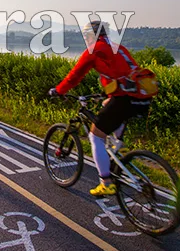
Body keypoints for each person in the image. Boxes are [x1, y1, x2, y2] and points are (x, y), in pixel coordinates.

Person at [48, 20, 150, 197]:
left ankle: (106, 183)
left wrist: (58, 90)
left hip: (124, 100)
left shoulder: (94, 50)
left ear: (91, 35)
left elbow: (75, 76)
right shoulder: (119, 48)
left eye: (86, 36)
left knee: (95, 137)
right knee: (108, 107)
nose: (86, 39)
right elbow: (126, 73)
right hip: (142, 98)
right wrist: (109, 95)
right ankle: (119, 149)